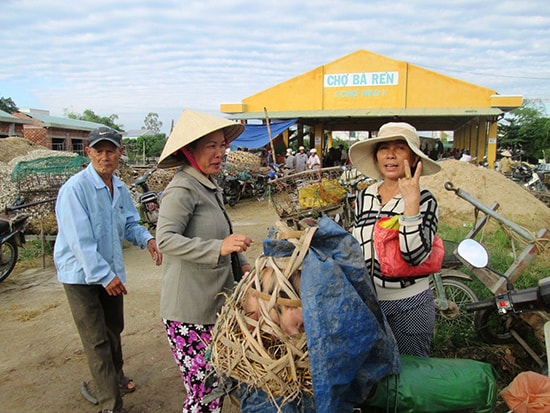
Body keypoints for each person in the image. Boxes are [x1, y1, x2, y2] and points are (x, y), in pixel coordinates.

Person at [54, 126, 162, 413]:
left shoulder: (120, 188)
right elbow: (80, 242)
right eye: (98, 150)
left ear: (120, 153)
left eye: (110, 150)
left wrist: (147, 239)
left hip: (109, 272)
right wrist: (104, 276)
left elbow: (129, 223)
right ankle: (110, 405)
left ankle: (115, 376)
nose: (105, 156)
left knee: (114, 328)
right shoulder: (75, 190)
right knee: (97, 340)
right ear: (88, 152)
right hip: (80, 275)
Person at [155, 110, 253, 413]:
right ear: (189, 150)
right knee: (204, 394)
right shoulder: (182, 189)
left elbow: (222, 234)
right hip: (188, 311)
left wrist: (242, 262)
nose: (221, 153)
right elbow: (166, 240)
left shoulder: (208, 186)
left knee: (216, 386)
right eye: (211, 146)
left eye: (222, 145)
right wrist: (219, 248)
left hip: (211, 306)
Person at [348, 122, 441, 357]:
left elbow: (415, 257)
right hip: (368, 303)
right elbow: (355, 245)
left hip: (409, 305)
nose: (390, 155)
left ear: (413, 158)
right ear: (376, 157)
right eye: (383, 148)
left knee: (411, 374)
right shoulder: (364, 196)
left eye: (400, 148)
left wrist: (411, 205)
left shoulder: (425, 200)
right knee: (376, 373)